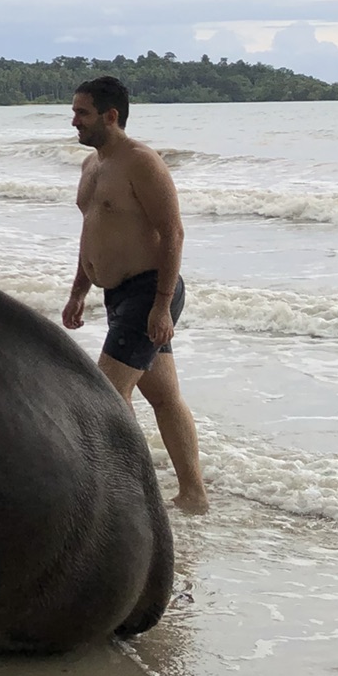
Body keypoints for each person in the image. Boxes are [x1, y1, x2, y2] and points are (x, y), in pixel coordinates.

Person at [59, 75, 209, 514]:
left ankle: (130, 498)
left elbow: (174, 233)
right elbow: (93, 234)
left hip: (149, 292)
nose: (74, 122)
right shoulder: (92, 166)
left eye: (81, 113)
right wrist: (78, 291)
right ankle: (194, 495)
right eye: (73, 112)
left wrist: (162, 305)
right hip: (118, 294)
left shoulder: (142, 162)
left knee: (106, 392)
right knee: (162, 396)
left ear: (111, 115)